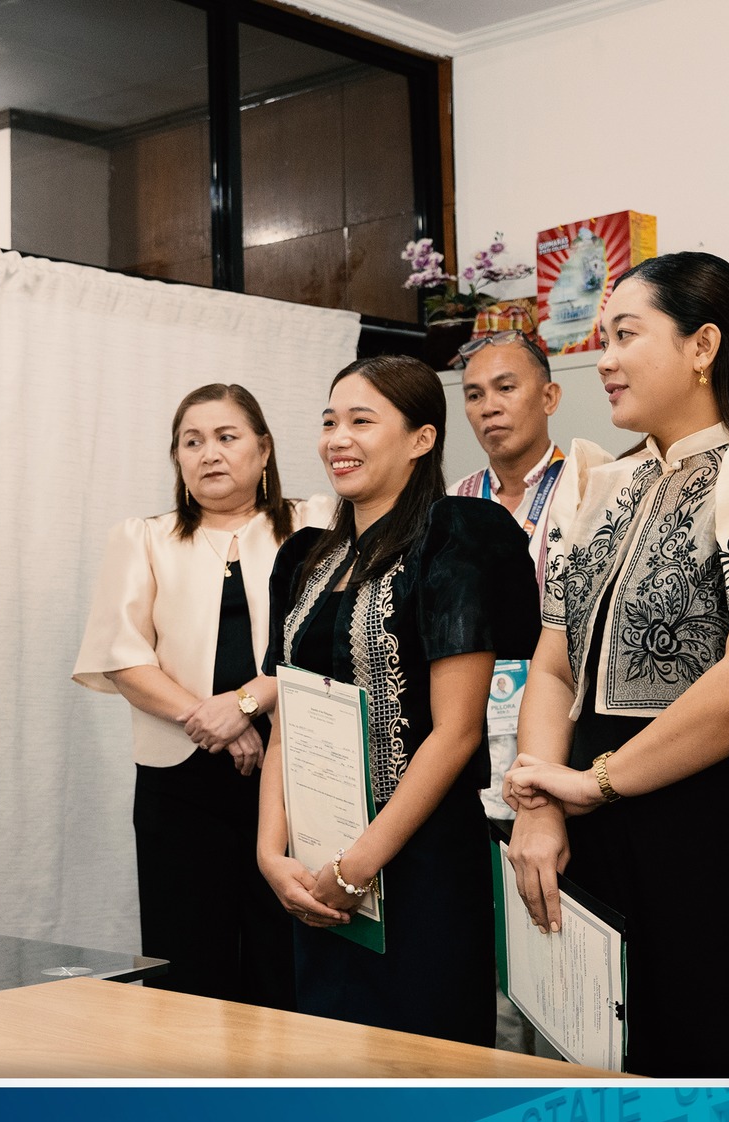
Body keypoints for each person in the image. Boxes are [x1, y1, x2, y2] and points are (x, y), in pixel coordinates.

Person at [502, 252, 729, 1077]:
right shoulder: (602, 486)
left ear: (702, 345)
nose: (605, 359)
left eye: (627, 335)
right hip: (598, 824)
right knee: (615, 1068)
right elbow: (553, 670)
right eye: (602, 338)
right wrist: (543, 803)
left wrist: (597, 782)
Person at [257, 355, 537, 1046]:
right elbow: (288, 718)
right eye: (328, 422)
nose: (337, 439)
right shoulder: (303, 560)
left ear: (422, 438)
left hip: (420, 867)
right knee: (330, 1069)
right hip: (315, 867)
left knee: (424, 1071)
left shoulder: (456, 536)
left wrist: (358, 868)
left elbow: (456, 732)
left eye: (361, 420)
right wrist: (270, 852)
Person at [73, 384, 330, 1007]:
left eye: (227, 436)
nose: (209, 453)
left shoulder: (315, 522)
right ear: (178, 459)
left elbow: (328, 644)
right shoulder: (144, 537)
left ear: (263, 449)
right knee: (186, 961)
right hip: (179, 782)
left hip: (297, 773)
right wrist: (209, 717)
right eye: (192, 442)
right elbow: (123, 657)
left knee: (289, 954)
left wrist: (246, 703)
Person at [452, 330, 566, 589]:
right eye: (474, 395)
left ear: (549, 398)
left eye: (505, 388)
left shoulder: (586, 488)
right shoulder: (454, 503)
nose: (488, 407)